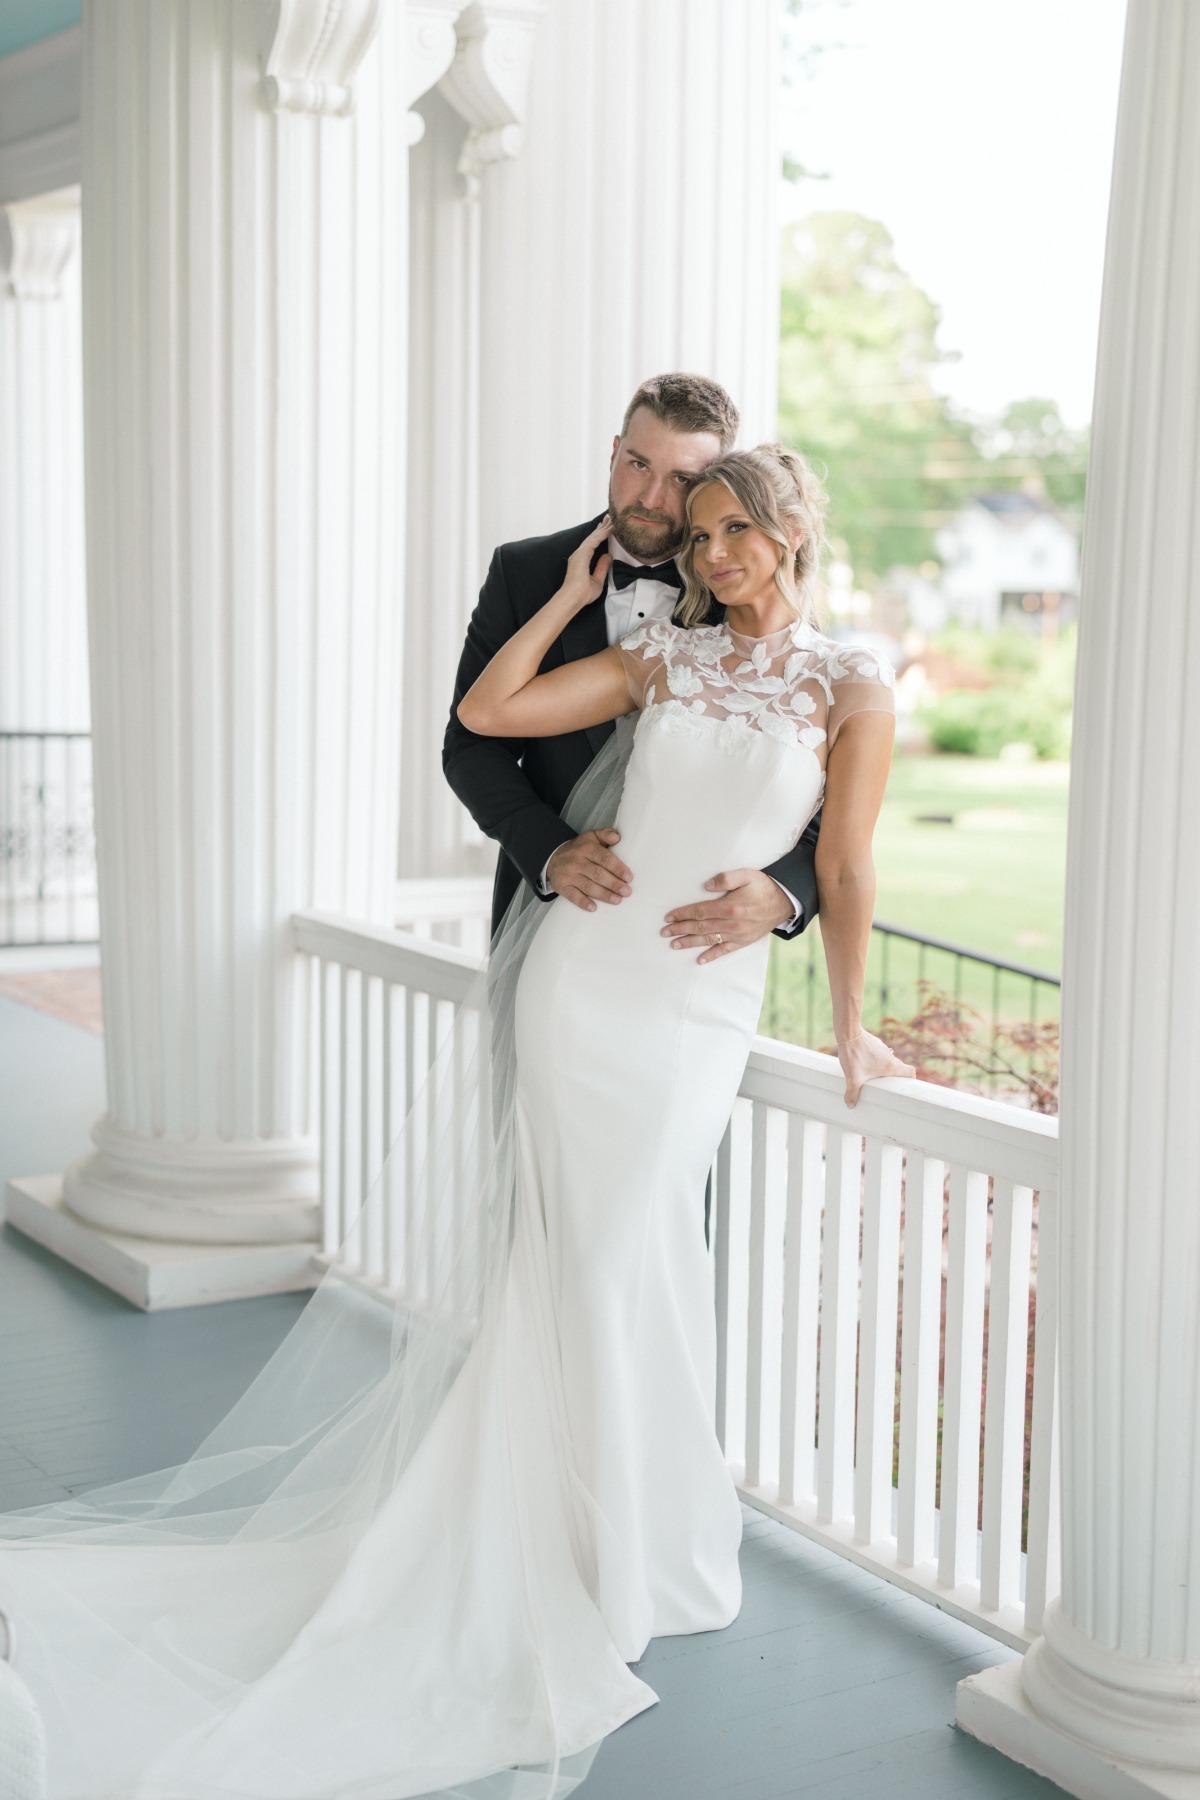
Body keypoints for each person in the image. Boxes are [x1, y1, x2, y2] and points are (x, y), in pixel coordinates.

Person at [0, 446, 912, 1800]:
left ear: (791, 536)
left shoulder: (852, 681)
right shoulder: (665, 653)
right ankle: (584, 1556)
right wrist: (573, 596)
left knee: (641, 1256)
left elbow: (841, 858)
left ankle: (644, 1538)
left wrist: (844, 1021)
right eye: (703, 533)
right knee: (580, 1261)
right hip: (585, 981)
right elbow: (490, 712)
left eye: (737, 531)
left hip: (699, 1009)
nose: (714, 554)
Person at [444, 372, 821, 953]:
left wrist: (784, 891)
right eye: (639, 465)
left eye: (682, 479)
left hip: (693, 932)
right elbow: (470, 745)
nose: (650, 498)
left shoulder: (752, 589)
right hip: (548, 913)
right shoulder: (524, 572)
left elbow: (818, 769)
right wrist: (549, 852)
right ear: (615, 450)